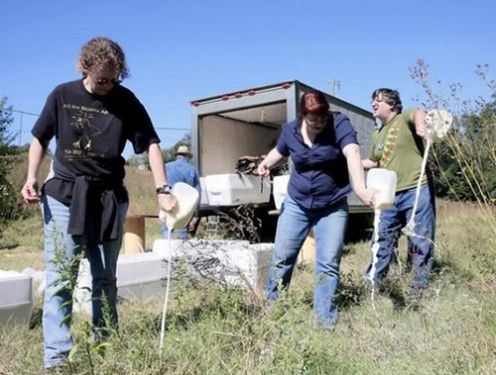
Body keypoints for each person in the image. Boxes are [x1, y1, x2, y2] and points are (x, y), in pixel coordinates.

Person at [20, 37, 176, 370]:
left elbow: (150, 143)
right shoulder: (63, 95)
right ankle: (57, 357)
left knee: (105, 278)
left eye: (114, 78)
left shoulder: (125, 100)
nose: (108, 86)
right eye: (102, 79)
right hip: (65, 195)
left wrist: (162, 187)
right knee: (62, 277)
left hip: (108, 198)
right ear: (85, 68)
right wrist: (31, 177)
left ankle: (104, 344)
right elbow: (39, 138)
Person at [257, 90, 374, 328]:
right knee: (282, 258)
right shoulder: (290, 130)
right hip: (297, 203)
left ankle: (324, 321)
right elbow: (279, 151)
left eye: (322, 117)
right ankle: (273, 311)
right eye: (313, 119)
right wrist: (266, 163)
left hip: (331, 204)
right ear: (302, 116)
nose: (319, 123)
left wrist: (360, 188)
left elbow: (352, 152)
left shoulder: (339, 123)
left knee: (328, 262)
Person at [362, 88, 435, 293]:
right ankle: (372, 287)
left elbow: (418, 113)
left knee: (420, 241)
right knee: (381, 239)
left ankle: (417, 291)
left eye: (378, 100)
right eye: (372, 101)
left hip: (415, 189)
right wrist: (351, 162)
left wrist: (421, 125)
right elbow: (372, 161)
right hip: (388, 195)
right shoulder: (377, 134)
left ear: (392, 104)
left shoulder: (403, 119)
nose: (373, 104)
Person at [162, 145, 201, 240]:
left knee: (167, 225)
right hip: (184, 199)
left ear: (177, 156)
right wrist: (196, 213)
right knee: (182, 225)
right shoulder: (192, 169)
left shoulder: (167, 166)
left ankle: (167, 249)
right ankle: (181, 250)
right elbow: (197, 191)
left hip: (168, 196)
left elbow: (161, 184)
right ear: (187, 157)